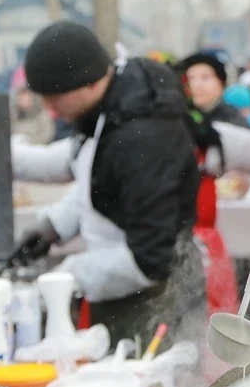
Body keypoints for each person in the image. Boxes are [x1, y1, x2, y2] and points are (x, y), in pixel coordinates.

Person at [12, 21, 205, 351]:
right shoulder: (111, 108)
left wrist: (68, 274)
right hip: (118, 291)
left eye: (55, 97)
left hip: (153, 305)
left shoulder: (143, 136)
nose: (50, 109)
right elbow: (99, 183)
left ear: (85, 82)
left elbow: (150, 259)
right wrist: (52, 227)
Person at [178, 51, 249, 129]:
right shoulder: (178, 116)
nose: (196, 84)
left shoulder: (234, 121)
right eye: (190, 78)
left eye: (205, 77)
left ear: (221, 83)